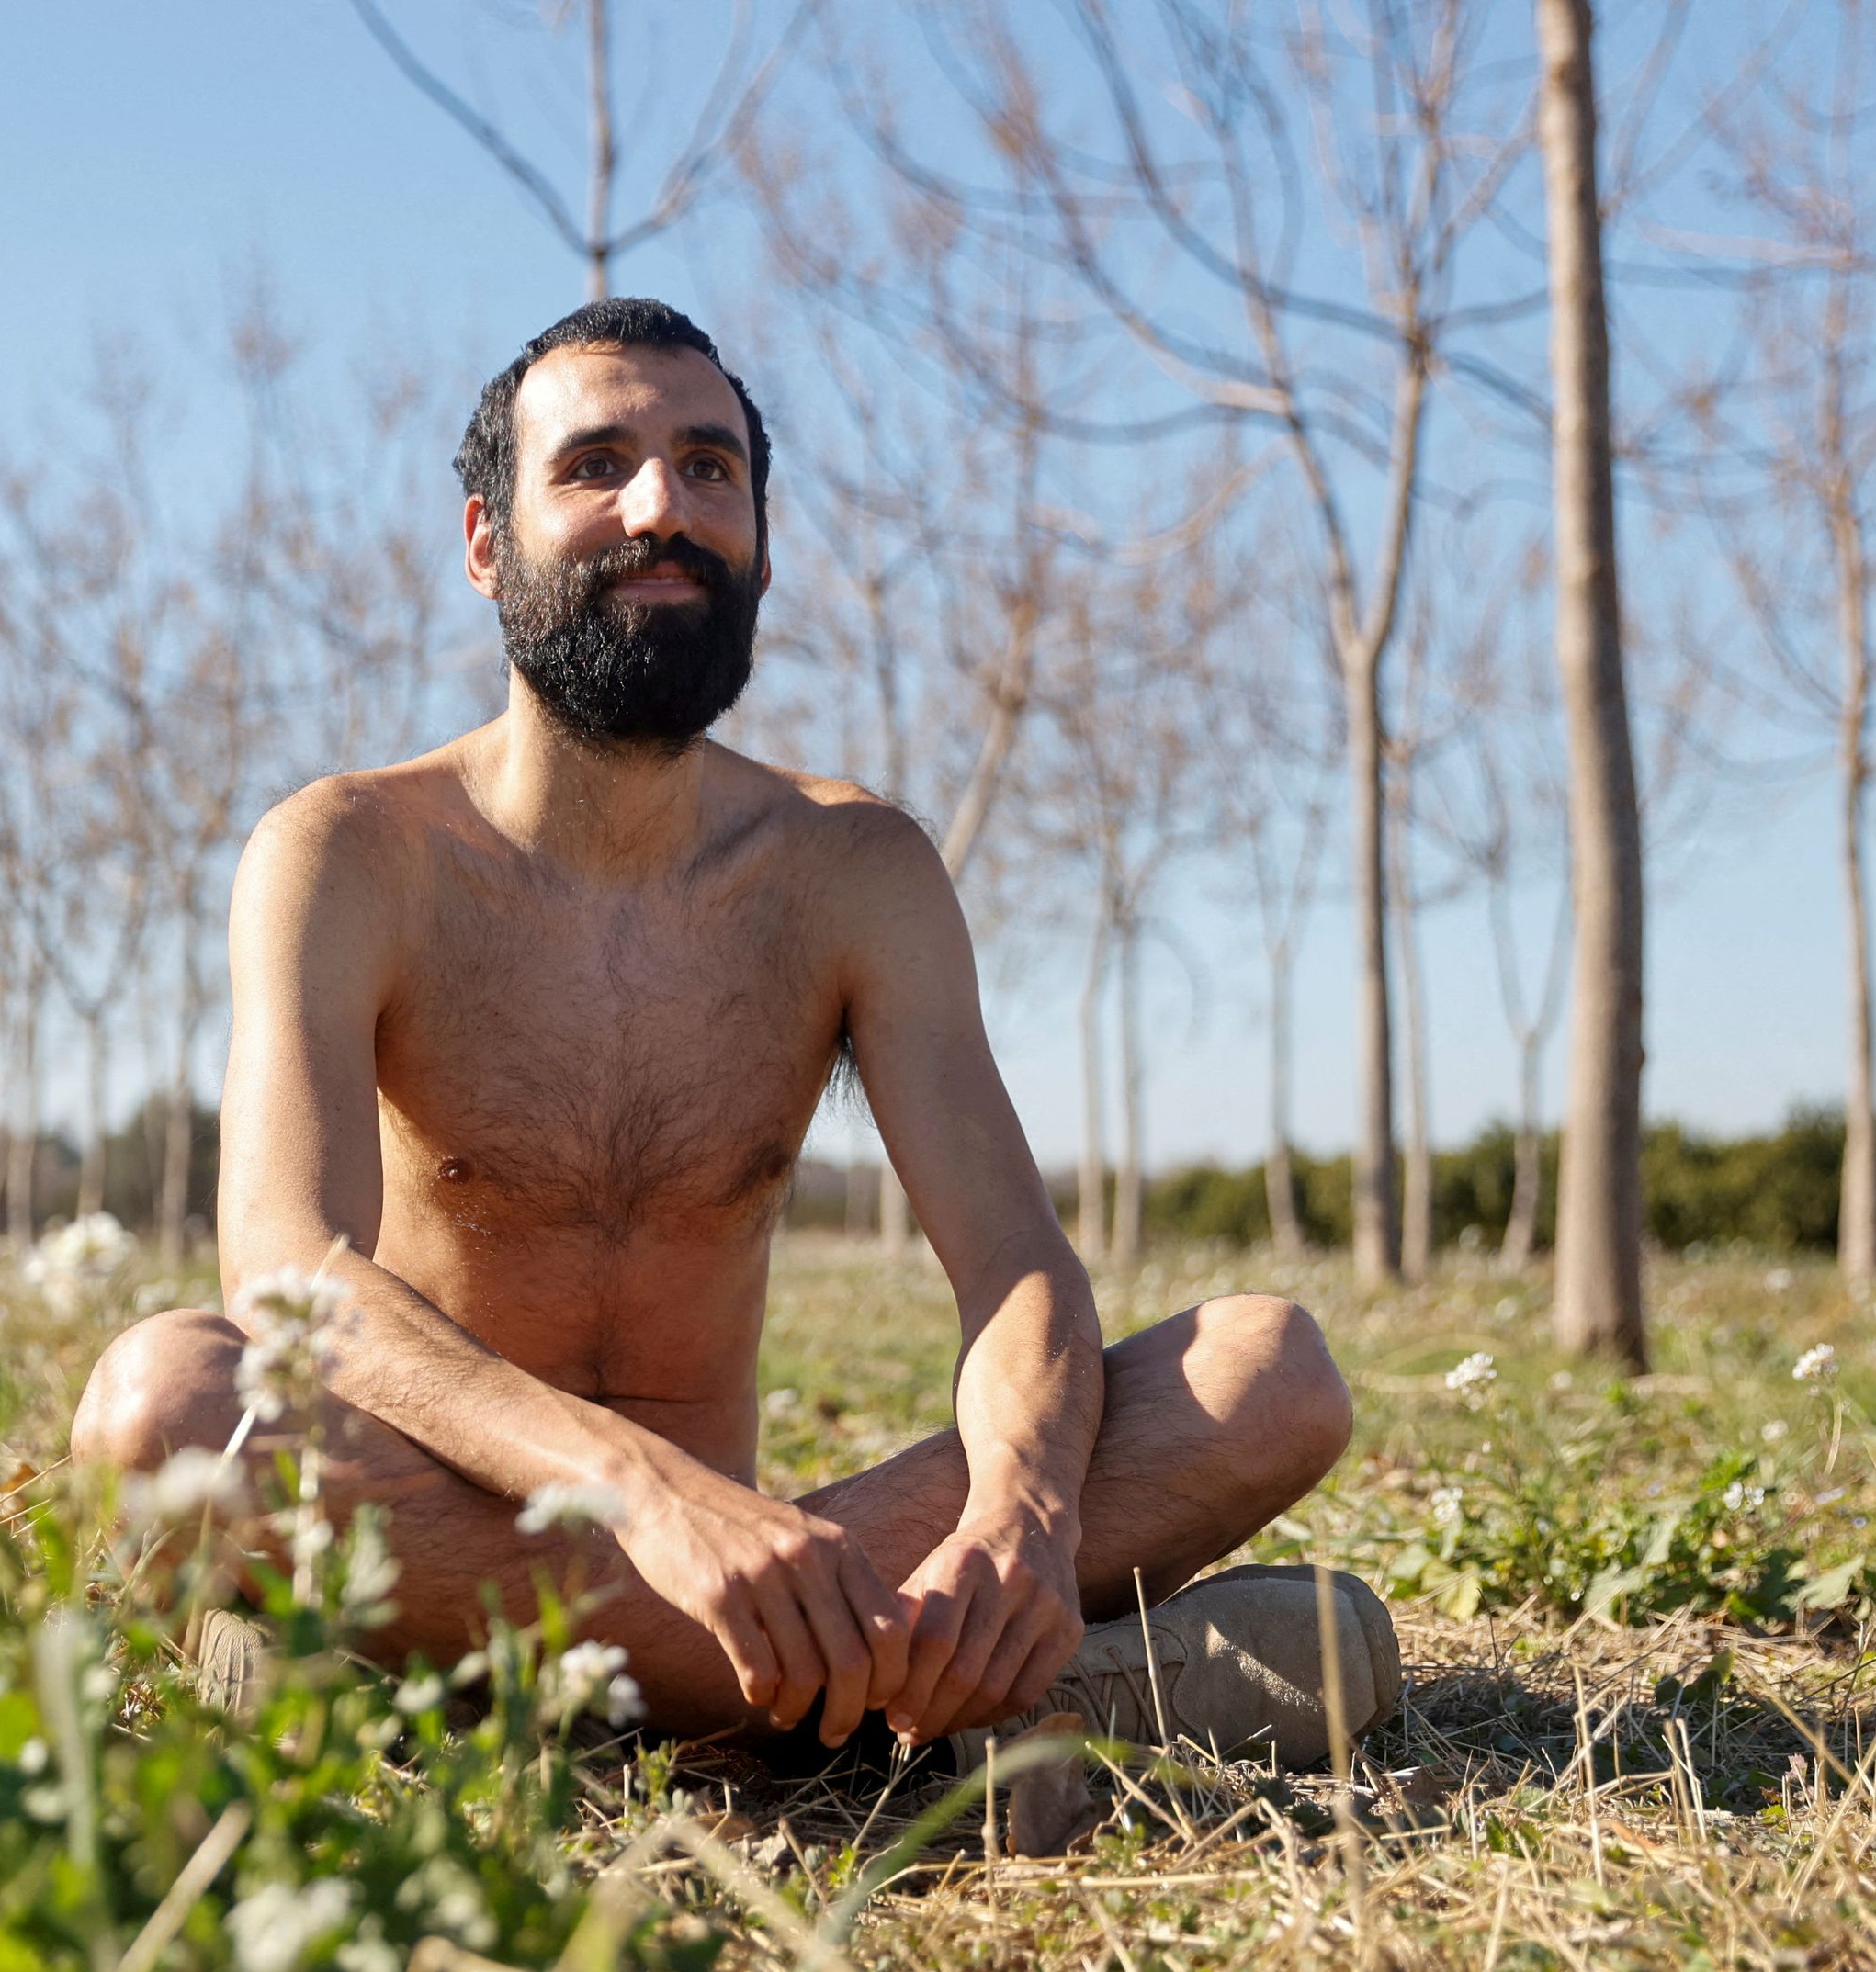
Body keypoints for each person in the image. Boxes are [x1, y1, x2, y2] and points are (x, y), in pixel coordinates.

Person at [72, 298, 1397, 1765]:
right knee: (166, 1406)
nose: (663, 506)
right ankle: (913, 1705)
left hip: (754, 1564)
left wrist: (1024, 1511)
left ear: (759, 538)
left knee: (1268, 1370)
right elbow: (286, 1273)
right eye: (595, 466)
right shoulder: (347, 853)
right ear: (483, 542)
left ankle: (473, 1687)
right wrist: (647, 1492)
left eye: (711, 467)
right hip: (451, 1503)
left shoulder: (853, 870)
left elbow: (1019, 1266)